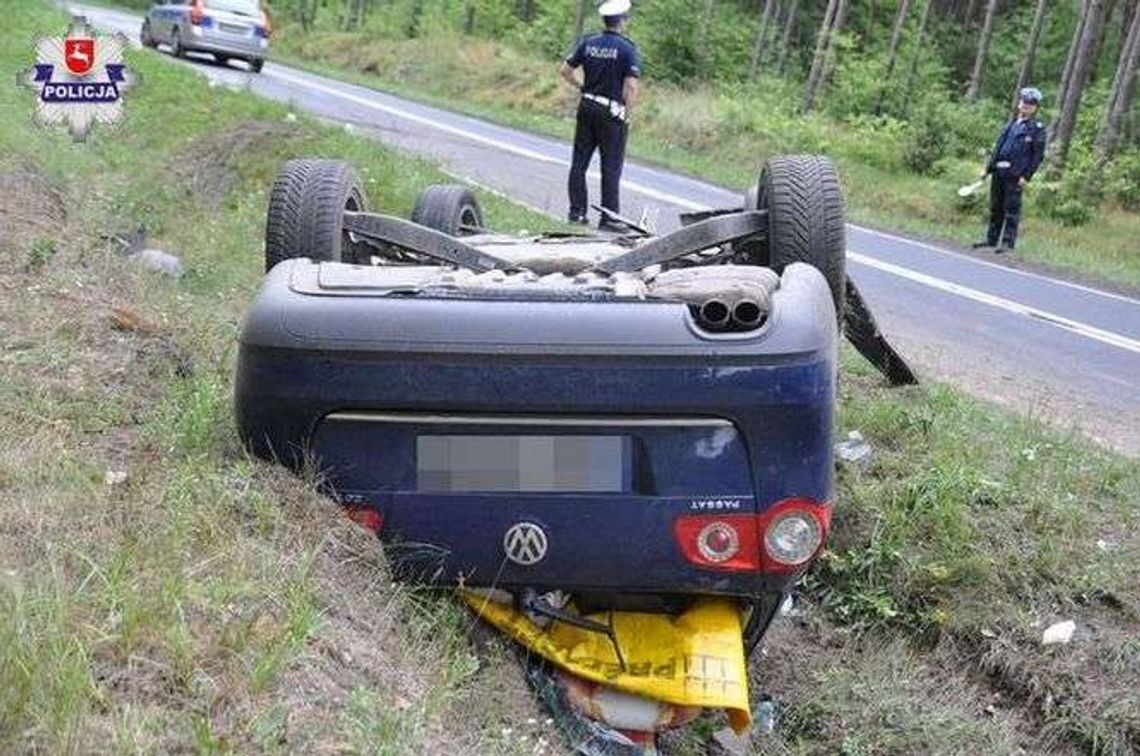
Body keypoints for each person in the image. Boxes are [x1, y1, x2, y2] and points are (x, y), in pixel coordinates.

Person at [559, 0, 641, 231]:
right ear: (622, 21)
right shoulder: (627, 48)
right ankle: (609, 218)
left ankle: (577, 213)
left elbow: (565, 70)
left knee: (579, 163)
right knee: (610, 167)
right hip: (611, 112)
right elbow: (631, 87)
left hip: (587, 107)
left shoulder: (589, 42)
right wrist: (627, 113)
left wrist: (581, 86)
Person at [973, 87, 1047, 253]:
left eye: (1030, 104)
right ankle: (991, 240)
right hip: (999, 171)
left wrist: (1026, 176)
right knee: (995, 207)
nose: (1026, 106)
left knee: (1011, 210)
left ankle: (1007, 243)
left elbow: (1037, 157)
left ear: (1035, 107)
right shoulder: (1011, 125)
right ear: (1019, 104)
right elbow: (998, 148)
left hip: (1015, 175)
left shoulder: (1037, 129)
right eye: (1024, 102)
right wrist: (988, 169)